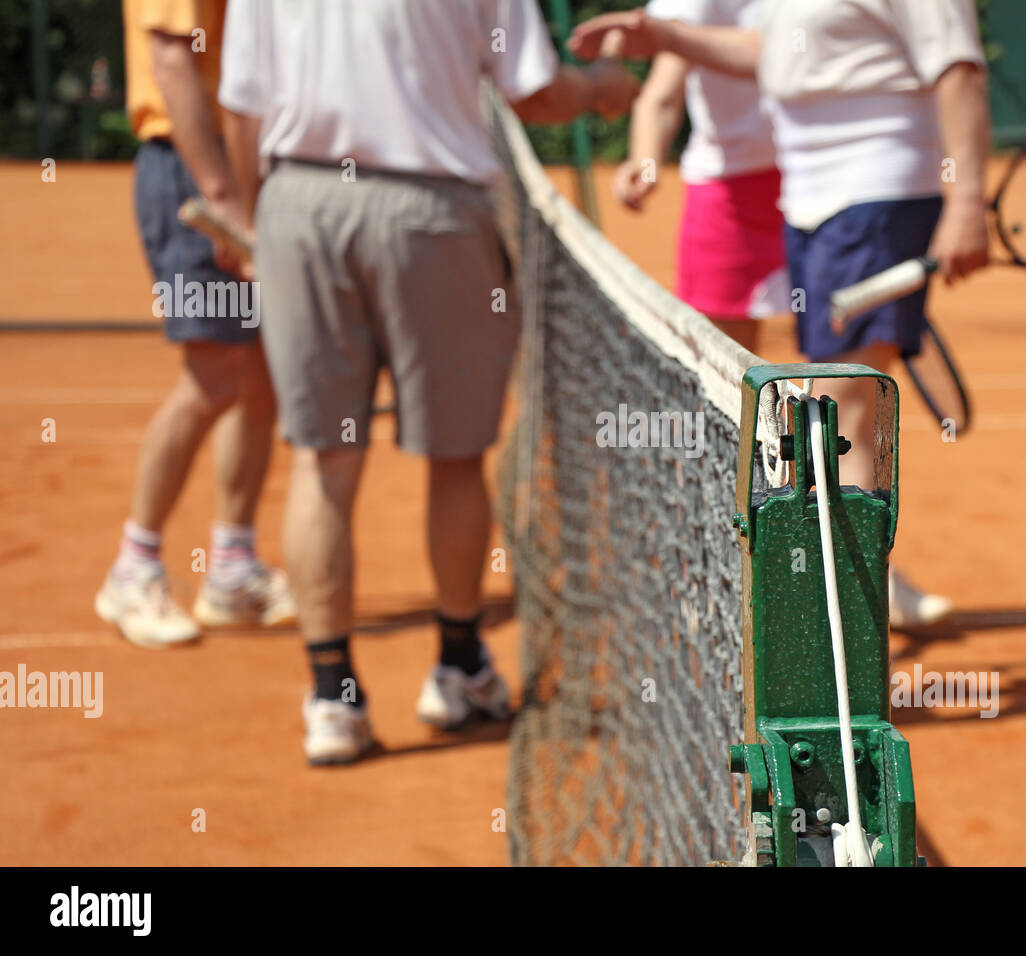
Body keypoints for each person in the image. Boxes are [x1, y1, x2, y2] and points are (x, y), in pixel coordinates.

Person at [218, 0, 640, 765]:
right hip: (431, 211)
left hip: (299, 205)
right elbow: (536, 94)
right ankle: (459, 667)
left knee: (323, 459)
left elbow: (242, 110)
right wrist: (604, 89)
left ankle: (332, 699)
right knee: (456, 455)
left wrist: (262, 223)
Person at [580, 1, 990, 626]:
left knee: (842, 410)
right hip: (808, 201)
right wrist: (663, 34)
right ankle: (831, 600)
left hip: (875, 191)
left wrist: (966, 201)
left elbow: (957, 66)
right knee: (806, 406)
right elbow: (773, 54)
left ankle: (847, 631)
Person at [97, 0, 294, 649]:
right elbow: (172, 60)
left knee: (261, 370)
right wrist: (222, 196)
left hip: (248, 165)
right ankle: (135, 565)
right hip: (196, 167)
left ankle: (232, 569)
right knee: (216, 371)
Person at [613, 0, 787, 353]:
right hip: (726, 195)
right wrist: (645, 164)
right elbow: (659, 99)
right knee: (726, 365)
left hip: (819, 183)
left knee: (844, 352)